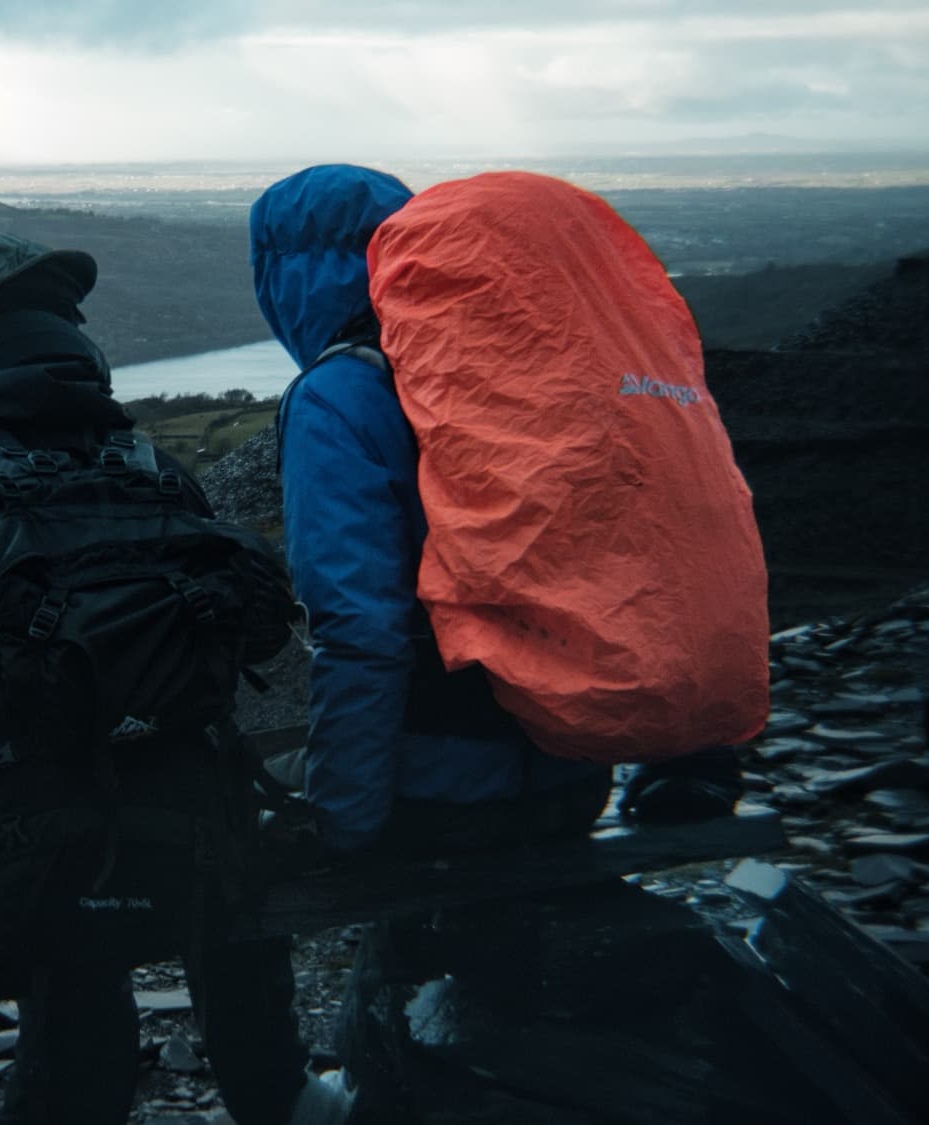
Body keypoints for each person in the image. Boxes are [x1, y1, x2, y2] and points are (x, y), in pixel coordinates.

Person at [0, 234, 352, 1125]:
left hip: (10, 856)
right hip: (189, 835)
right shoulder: (162, 479)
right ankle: (276, 1089)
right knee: (167, 807)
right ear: (77, 341)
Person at [249, 164, 748, 1117]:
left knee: (409, 1022)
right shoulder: (532, 367)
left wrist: (342, 822)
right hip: (573, 760)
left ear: (287, 275)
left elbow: (358, 626)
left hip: (437, 790)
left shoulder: (339, 396)